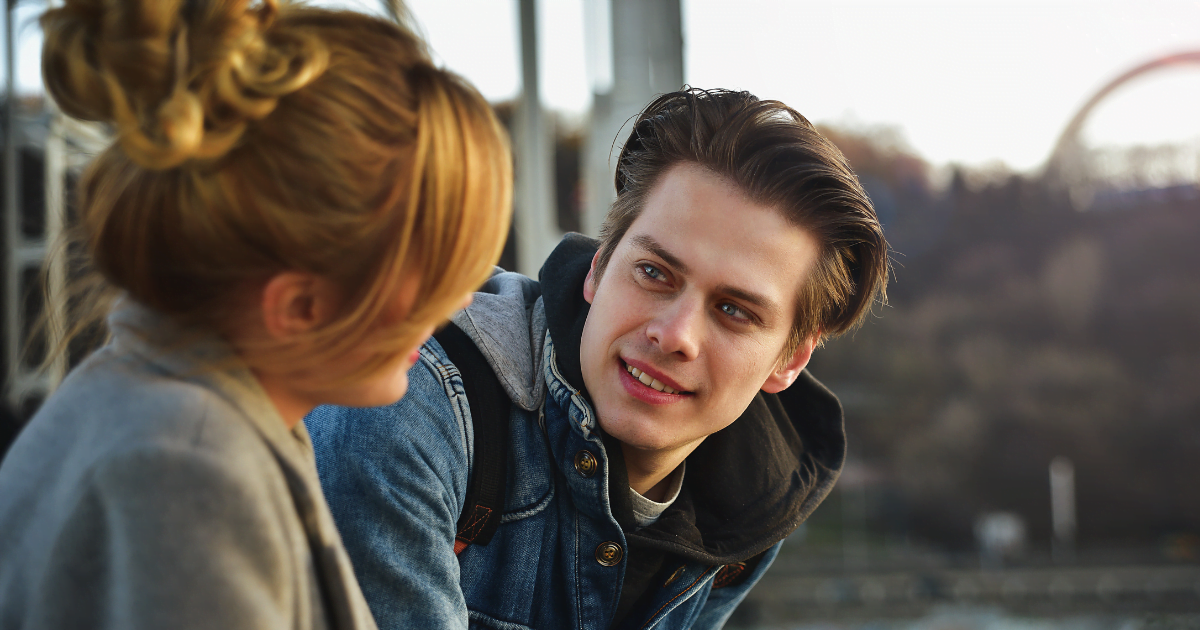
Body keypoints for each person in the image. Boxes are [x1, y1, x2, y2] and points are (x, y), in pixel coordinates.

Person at [0, 1, 511, 629]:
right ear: (299, 306)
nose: (461, 301)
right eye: (436, 273)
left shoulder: (176, 421)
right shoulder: (189, 479)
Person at [308, 87, 889, 630]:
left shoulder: (750, 507)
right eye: (655, 273)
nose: (675, 335)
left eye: (734, 311)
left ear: (789, 360)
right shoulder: (408, 398)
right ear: (599, 266)